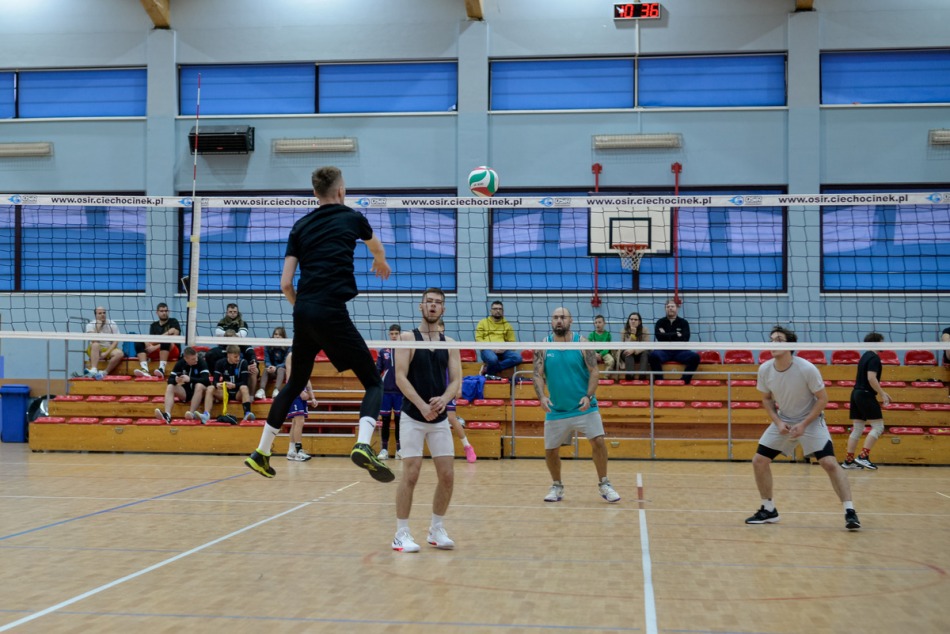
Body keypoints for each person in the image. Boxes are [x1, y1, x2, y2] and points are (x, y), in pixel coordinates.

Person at [245, 165, 394, 482]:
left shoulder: (300, 227)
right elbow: (377, 247)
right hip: (331, 310)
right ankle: (363, 445)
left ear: (314, 193)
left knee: (294, 384)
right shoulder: (352, 218)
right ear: (341, 191)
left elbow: (286, 284)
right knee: (373, 382)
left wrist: (306, 310)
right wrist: (380, 260)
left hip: (303, 312)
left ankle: (261, 452)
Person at [746, 326, 861, 530]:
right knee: (759, 461)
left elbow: (823, 399)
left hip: (811, 421)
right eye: (771, 340)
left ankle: (850, 511)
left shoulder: (806, 368)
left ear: (790, 345)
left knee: (829, 463)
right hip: (784, 419)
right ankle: (768, 509)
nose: (773, 344)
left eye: (779, 340)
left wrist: (804, 424)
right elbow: (766, 399)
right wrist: (778, 422)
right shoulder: (765, 369)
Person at [391, 288, 463, 552]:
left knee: (447, 475)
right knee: (411, 473)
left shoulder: (450, 343)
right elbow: (400, 377)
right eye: (429, 302)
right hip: (413, 415)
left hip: (439, 417)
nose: (433, 306)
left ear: (443, 309)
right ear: (421, 306)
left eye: (438, 303)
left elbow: (456, 380)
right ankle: (401, 533)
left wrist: (444, 399)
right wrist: (422, 405)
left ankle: (436, 529)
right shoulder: (407, 338)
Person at [532, 307, 620, 504]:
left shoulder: (582, 343)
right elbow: (537, 374)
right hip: (557, 410)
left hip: (584, 407)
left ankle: (604, 483)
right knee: (550, 450)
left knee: (598, 441)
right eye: (555, 317)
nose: (559, 320)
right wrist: (542, 397)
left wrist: (589, 396)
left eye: (563, 317)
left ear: (570, 320)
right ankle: (557, 486)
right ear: (551, 321)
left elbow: (594, 371)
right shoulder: (543, 346)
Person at [841, 332, 891, 470]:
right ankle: (863, 457)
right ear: (876, 342)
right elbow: (871, 378)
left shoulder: (864, 356)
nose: (884, 344)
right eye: (882, 341)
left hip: (856, 393)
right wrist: (882, 394)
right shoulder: (874, 358)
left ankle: (849, 461)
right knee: (878, 427)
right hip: (865, 394)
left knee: (857, 428)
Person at [439, 318, 476, 463]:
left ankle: (467, 446)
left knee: (451, 418)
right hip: (434, 387)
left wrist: (459, 386)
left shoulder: (449, 344)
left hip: (448, 387)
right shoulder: (426, 344)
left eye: (439, 328)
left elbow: (458, 368)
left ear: (443, 328)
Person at [209, 303, 260, 398]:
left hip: (242, 371)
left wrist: (253, 363)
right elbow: (217, 333)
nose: (232, 313)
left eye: (235, 312)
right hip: (227, 373)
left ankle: (251, 397)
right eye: (230, 312)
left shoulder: (243, 344)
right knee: (211, 387)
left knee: (254, 370)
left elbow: (251, 353)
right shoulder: (222, 348)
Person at [647, 299, 700, 384]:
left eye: (672, 306)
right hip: (664, 351)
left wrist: (666, 334)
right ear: (665, 309)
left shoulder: (683, 322)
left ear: (677, 308)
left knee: (695, 357)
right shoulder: (660, 322)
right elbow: (660, 338)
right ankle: (659, 380)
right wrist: (677, 334)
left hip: (680, 351)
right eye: (668, 307)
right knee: (653, 356)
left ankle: (684, 381)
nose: (670, 308)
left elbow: (685, 338)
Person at [154, 346, 210, 423]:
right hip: (186, 392)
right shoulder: (180, 363)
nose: (196, 360)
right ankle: (167, 415)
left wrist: (190, 379)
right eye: (193, 359)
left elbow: (206, 380)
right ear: (186, 359)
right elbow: (170, 380)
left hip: (200, 393)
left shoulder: (201, 362)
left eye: (196, 357)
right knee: (170, 386)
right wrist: (176, 380)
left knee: (199, 385)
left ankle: (191, 413)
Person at [203, 345, 255, 424]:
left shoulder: (243, 362)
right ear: (229, 355)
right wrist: (218, 385)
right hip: (225, 392)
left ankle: (247, 414)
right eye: (235, 357)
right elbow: (215, 381)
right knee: (210, 388)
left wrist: (234, 385)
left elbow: (244, 382)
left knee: (244, 387)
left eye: (239, 356)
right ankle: (206, 414)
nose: (238, 358)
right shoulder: (220, 363)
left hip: (237, 393)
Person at [283, 350, 317, 462]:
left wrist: (312, 396)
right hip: (294, 391)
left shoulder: (306, 356)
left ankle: (291, 451)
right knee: (300, 421)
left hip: (301, 392)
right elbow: (289, 377)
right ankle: (299, 451)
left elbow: (306, 378)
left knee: (295, 422)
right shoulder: (291, 356)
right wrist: (299, 391)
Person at [133, 302, 181, 379]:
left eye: (166, 311)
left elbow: (174, 338)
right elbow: (153, 341)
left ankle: (161, 369)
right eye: (161, 311)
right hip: (157, 351)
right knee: (139, 341)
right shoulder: (153, 325)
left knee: (167, 340)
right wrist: (168, 332)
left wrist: (155, 346)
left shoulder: (173, 321)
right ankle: (144, 369)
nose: (164, 313)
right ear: (157, 312)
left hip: (172, 351)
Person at [377, 324, 403, 461]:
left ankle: (399, 450)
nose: (394, 336)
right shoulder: (383, 351)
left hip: (400, 392)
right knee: (385, 421)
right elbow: (378, 370)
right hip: (386, 392)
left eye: (396, 333)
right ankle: (384, 450)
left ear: (400, 334)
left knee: (400, 421)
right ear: (389, 335)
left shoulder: (405, 350)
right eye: (392, 333)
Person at [474, 301, 521, 378]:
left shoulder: (507, 325)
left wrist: (504, 348)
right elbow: (478, 339)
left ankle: (488, 370)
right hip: (487, 350)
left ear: (503, 311)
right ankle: (490, 375)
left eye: (500, 309)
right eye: (495, 309)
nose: (498, 311)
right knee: (493, 359)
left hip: (502, 351)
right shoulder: (482, 323)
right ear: (491, 311)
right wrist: (491, 348)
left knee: (518, 358)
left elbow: (512, 343)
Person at [84, 306, 123, 379]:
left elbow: (116, 341)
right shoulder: (90, 325)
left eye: (104, 313)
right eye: (100, 313)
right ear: (95, 315)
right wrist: (98, 327)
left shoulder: (112, 323)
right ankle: (94, 369)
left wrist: (106, 353)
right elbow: (93, 340)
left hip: (108, 348)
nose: (102, 315)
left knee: (119, 353)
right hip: (95, 349)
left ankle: (105, 372)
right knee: (95, 344)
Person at [617, 312, 651, 381]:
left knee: (645, 353)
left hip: (640, 353)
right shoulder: (624, 331)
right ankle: (629, 376)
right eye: (631, 319)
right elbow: (624, 346)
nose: (633, 321)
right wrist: (633, 334)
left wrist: (634, 350)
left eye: (635, 320)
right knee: (628, 353)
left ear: (639, 322)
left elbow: (646, 345)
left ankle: (642, 376)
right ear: (628, 320)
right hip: (627, 352)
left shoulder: (645, 330)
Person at [257, 326, 289, 399]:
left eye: (280, 335)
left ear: (283, 337)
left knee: (281, 369)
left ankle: (276, 390)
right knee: (266, 369)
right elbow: (267, 360)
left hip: (283, 371)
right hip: (272, 371)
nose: (277, 336)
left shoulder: (288, 346)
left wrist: (276, 367)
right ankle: (261, 390)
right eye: (276, 334)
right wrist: (270, 367)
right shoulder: (268, 345)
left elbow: (286, 362)